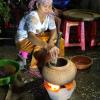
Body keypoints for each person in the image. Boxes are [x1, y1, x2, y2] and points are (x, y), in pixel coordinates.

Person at [15, 0, 64, 78]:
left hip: (37, 36)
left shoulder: (49, 15)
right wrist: (47, 46)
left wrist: (51, 42)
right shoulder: (32, 17)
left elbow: (53, 30)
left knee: (59, 40)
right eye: (45, 6)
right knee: (42, 44)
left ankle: (58, 61)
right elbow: (31, 36)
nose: (47, 9)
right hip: (24, 40)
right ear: (37, 5)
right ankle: (33, 68)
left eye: (49, 6)